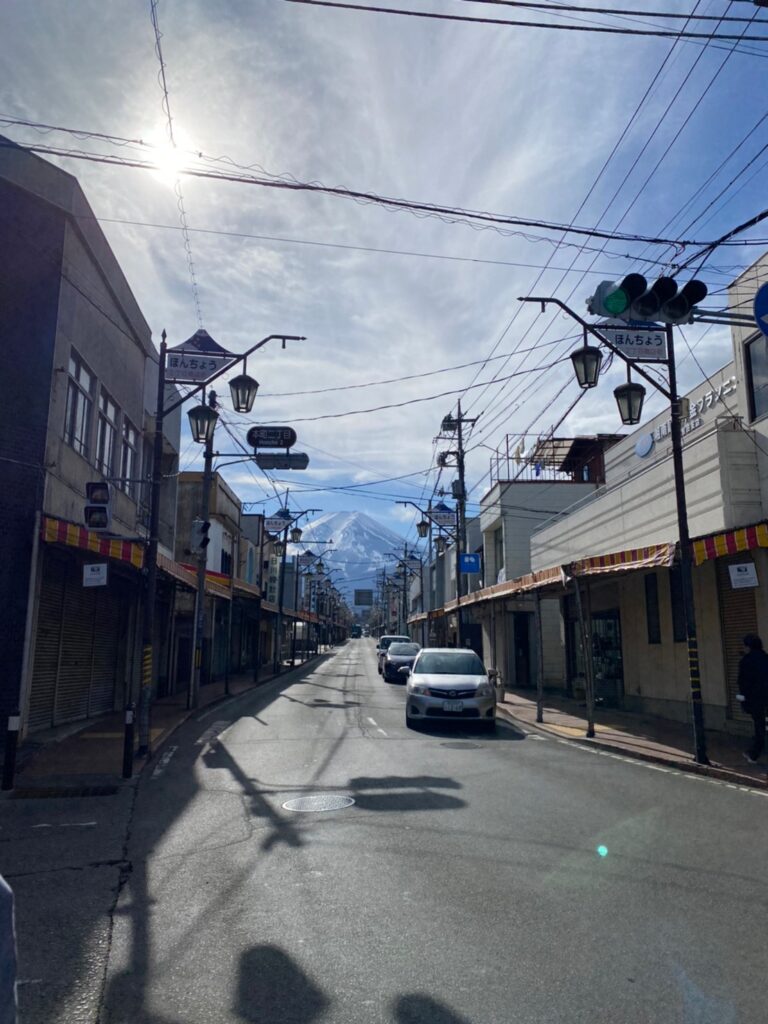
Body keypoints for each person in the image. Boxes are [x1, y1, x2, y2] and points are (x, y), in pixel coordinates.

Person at [736, 633, 768, 764]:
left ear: (748, 646)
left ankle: (754, 753)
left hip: (755, 699)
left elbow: (743, 681)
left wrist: (744, 697)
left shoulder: (746, 661)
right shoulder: (766, 658)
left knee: (759, 725)